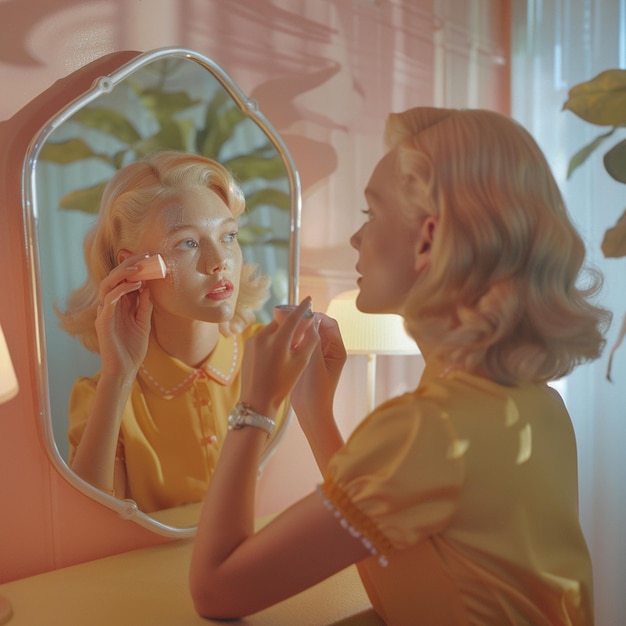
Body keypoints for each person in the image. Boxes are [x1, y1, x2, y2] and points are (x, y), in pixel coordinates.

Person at [189, 107, 610, 625]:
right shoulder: (535, 402)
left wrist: (255, 405)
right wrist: (316, 414)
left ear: (428, 240)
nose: (355, 241)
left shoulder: (430, 428)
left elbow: (216, 590)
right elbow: (403, 548)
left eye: (370, 215)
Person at [57, 150, 273, 513]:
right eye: (188, 242)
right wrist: (118, 376)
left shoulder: (274, 353)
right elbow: (88, 525)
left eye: (229, 235)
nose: (219, 261)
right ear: (134, 266)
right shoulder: (99, 396)